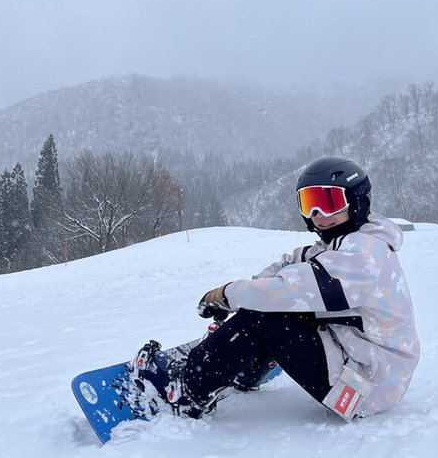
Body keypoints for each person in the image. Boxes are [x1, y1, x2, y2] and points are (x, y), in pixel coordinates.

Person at [134, 156, 420, 421]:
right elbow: (290, 265)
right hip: (373, 370)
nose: (319, 214)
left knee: (267, 316)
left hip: (367, 387)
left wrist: (229, 296)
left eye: (330, 202)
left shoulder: (364, 255)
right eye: (310, 203)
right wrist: (240, 298)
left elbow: (288, 290)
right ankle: (246, 366)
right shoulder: (346, 243)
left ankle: (187, 391)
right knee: (271, 306)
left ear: (356, 201)